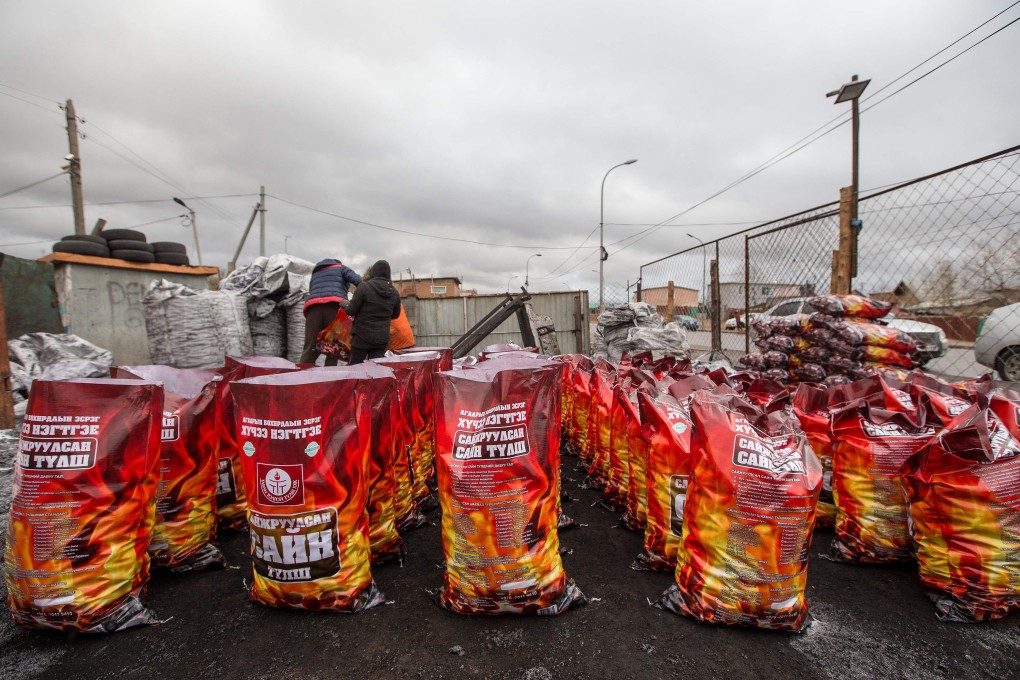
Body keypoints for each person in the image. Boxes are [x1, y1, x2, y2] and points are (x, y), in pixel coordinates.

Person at [299, 258, 362, 366]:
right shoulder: (341, 268)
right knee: (332, 346)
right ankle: (329, 379)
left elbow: (312, 291)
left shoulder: (316, 272)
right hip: (333, 307)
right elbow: (359, 281)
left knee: (310, 347)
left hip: (313, 308)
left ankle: (302, 377)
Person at [345, 259, 402, 364]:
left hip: (361, 338)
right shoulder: (394, 292)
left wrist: (344, 304)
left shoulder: (364, 287)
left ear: (373, 272)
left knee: (354, 370)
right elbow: (395, 315)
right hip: (381, 340)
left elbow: (351, 311)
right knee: (376, 372)